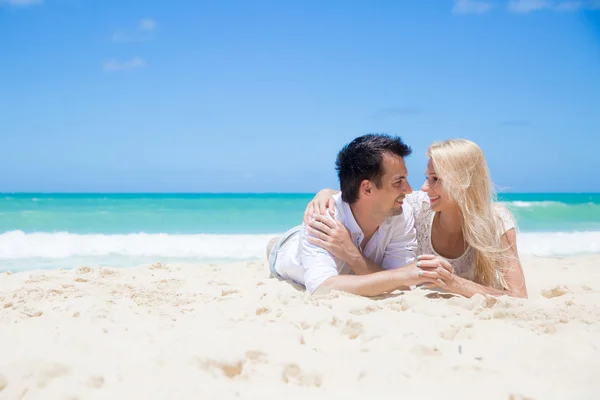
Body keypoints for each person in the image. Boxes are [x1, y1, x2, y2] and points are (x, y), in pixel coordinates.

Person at [304, 139, 528, 298]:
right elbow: (367, 195)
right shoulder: (416, 206)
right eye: (426, 177)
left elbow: (518, 297)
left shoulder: (497, 223)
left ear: (464, 182)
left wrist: (455, 283)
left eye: (436, 179)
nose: (422, 187)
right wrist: (327, 193)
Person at [267, 134, 449, 297]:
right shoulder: (322, 219)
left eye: (406, 179)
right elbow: (321, 288)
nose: (408, 190)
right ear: (367, 188)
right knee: (277, 248)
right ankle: (274, 244)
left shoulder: (400, 214)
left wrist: (352, 255)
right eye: (398, 181)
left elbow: (400, 284)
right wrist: (401, 276)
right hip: (287, 252)